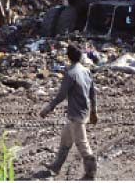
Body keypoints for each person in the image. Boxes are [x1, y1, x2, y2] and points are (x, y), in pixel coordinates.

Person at [39, 44, 98, 180]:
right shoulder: (86, 71)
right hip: (83, 112)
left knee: (82, 145)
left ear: (68, 57)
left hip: (76, 115)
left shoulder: (70, 73)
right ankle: (55, 167)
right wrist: (94, 111)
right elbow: (93, 93)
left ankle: (91, 172)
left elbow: (61, 95)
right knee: (65, 140)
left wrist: (48, 108)